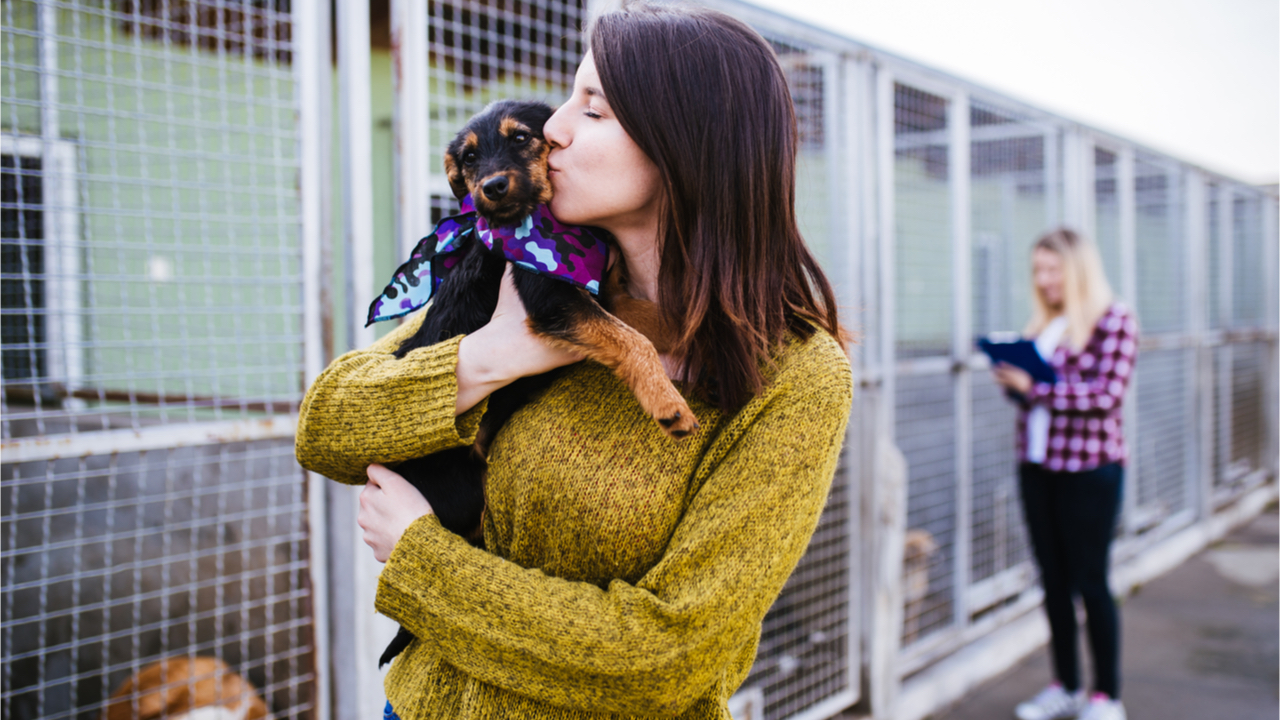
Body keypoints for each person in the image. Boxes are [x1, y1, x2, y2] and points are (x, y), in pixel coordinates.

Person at [294, 4, 853, 719]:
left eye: (593, 110)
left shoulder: (797, 376)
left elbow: (666, 656)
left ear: (686, 145)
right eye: (567, 98)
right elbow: (324, 428)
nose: (552, 128)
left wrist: (420, 557)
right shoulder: (527, 273)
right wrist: (491, 356)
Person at [992, 228, 1137, 720]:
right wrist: (1012, 378)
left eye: (1052, 269)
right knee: (1053, 582)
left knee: (1091, 581)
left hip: (1089, 471)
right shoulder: (1044, 323)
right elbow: (1033, 397)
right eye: (1037, 269)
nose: (1044, 279)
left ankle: (1106, 696)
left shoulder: (1114, 320)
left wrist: (1034, 387)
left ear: (1076, 269)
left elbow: (1105, 396)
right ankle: (1067, 686)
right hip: (1038, 468)